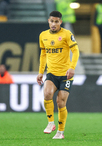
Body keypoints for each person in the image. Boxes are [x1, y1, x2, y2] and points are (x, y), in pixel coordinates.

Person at [36, 11, 79, 139]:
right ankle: (50, 123)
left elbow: (75, 51)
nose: (54, 24)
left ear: (60, 22)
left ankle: (60, 132)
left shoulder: (67, 34)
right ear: (48, 21)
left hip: (66, 75)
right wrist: (40, 72)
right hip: (51, 73)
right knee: (47, 94)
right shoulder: (43, 35)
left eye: (56, 21)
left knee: (60, 103)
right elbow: (43, 54)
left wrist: (72, 68)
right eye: (51, 21)